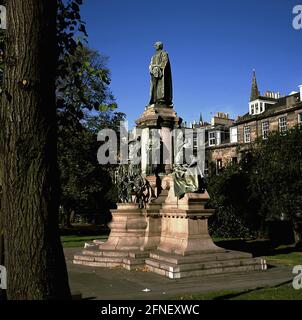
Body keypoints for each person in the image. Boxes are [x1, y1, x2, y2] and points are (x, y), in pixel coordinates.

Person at [149, 41, 173, 106]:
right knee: (154, 87)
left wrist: (158, 68)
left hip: (161, 73)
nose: (155, 46)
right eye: (155, 45)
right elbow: (150, 64)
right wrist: (151, 69)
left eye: (156, 45)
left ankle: (161, 100)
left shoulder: (164, 53)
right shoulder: (153, 56)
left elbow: (164, 62)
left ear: (160, 46)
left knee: (161, 86)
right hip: (154, 73)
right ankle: (154, 100)